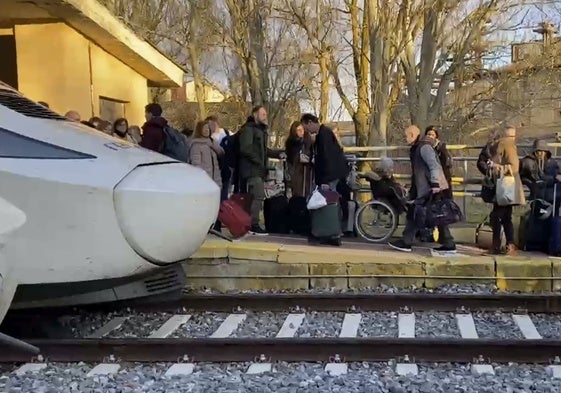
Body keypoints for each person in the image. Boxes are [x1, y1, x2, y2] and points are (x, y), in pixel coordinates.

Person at [388, 125, 455, 253]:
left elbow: (434, 165)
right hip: (426, 187)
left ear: (413, 135)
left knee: (422, 213)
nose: (405, 138)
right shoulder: (418, 147)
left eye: (406, 136)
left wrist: (435, 185)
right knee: (433, 214)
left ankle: (407, 242)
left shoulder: (423, 148)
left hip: (430, 187)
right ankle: (448, 242)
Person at [238, 106, 285, 235]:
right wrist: (259, 161)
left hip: (258, 169)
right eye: (263, 114)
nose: (265, 116)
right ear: (255, 115)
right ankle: (253, 224)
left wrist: (277, 154)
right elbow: (245, 149)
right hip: (252, 170)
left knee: (256, 197)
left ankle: (250, 223)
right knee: (258, 196)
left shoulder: (260, 131)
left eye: (265, 114)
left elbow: (264, 150)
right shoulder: (248, 130)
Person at [484, 126, 526, 256]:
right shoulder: (506, 145)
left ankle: (498, 245)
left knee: (497, 216)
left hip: (505, 186)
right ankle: (509, 244)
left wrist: (496, 166)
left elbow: (513, 166)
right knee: (506, 216)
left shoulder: (505, 145)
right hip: (508, 186)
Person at [300, 114, 349, 191]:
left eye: (306, 128)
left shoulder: (324, 135)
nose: (307, 131)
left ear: (310, 122)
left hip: (331, 177)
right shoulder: (322, 134)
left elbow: (327, 157)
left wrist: (325, 180)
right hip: (331, 175)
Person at [189, 121, 224, 187]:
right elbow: (196, 164)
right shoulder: (196, 145)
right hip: (204, 180)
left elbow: (221, 153)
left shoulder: (212, 143)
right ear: (199, 130)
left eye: (208, 128)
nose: (206, 130)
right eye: (204, 128)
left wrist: (213, 145)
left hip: (215, 178)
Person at [284, 121, 312, 198]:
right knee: (297, 193)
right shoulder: (291, 143)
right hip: (296, 172)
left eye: (302, 129)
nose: (301, 132)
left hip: (306, 172)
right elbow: (291, 158)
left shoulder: (308, 141)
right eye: (298, 130)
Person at [425, 126, 453, 199]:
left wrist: (437, 148)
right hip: (428, 179)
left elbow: (447, 161)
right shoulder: (422, 147)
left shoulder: (441, 147)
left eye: (432, 135)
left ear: (436, 137)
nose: (430, 137)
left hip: (442, 178)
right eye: (428, 134)